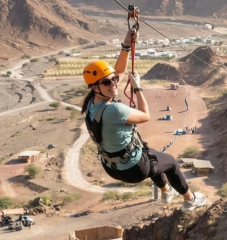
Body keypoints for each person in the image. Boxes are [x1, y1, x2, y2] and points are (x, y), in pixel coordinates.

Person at [82, 29, 207, 211]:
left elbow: (118, 71)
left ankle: (166, 192)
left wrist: (126, 45)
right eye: (107, 82)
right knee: (170, 162)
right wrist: (138, 88)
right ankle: (190, 199)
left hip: (112, 167)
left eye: (113, 80)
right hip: (133, 170)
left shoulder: (90, 105)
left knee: (150, 154)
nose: (114, 84)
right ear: (95, 87)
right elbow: (145, 115)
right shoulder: (114, 110)